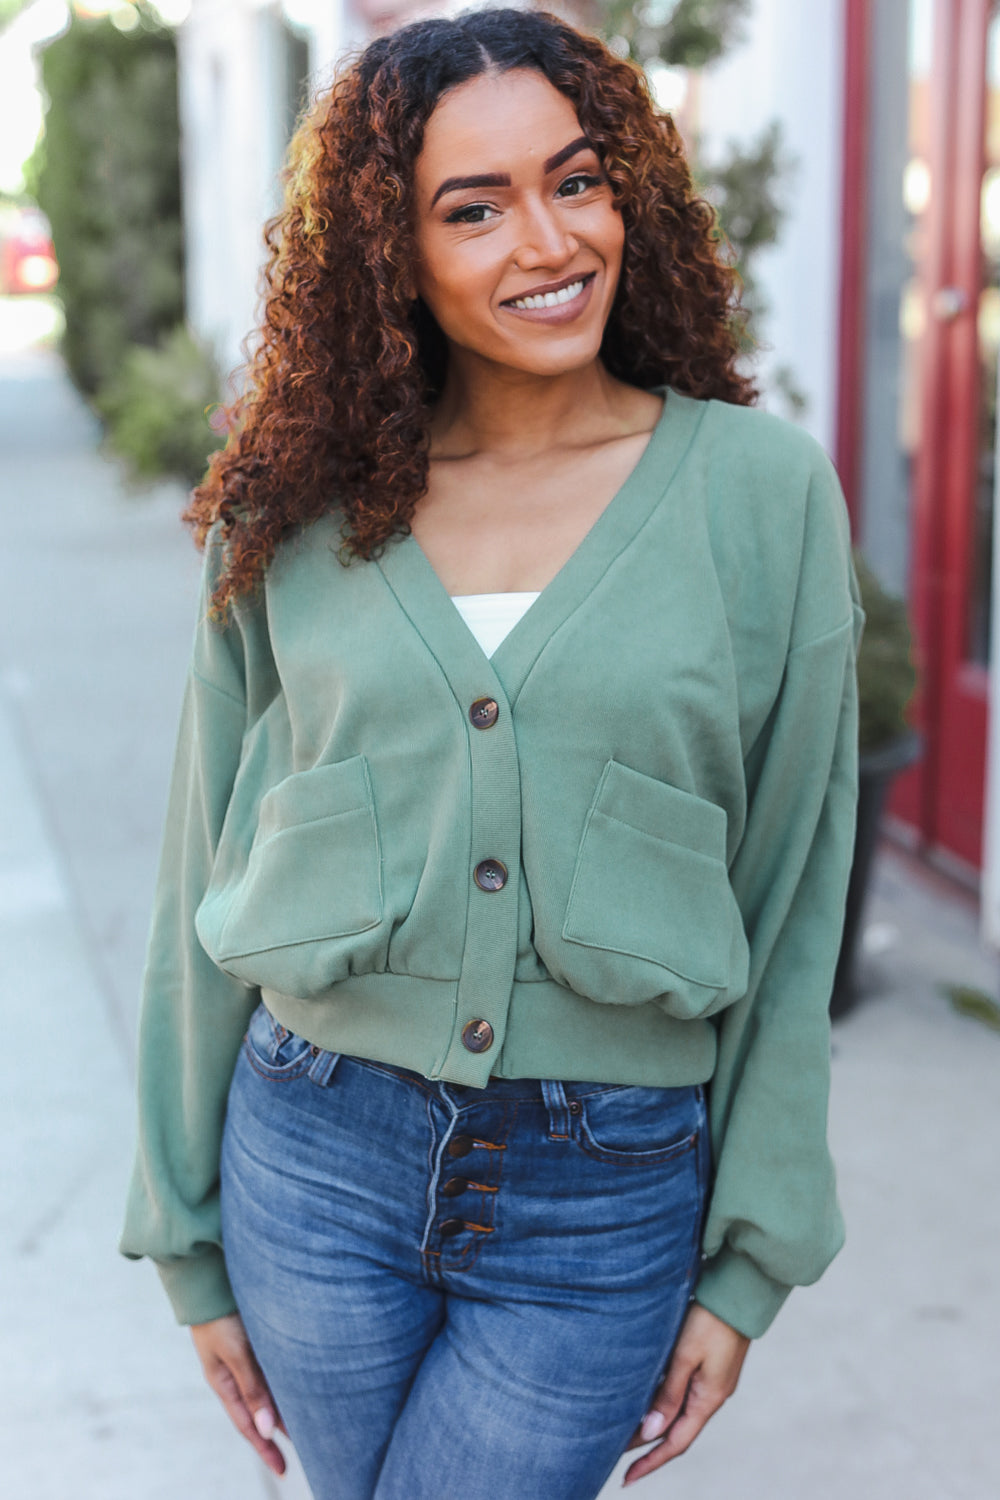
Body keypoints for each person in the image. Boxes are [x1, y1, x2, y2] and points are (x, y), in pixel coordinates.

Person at [120, 9, 864, 1497]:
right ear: (394, 255)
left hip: (603, 1192)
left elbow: (794, 898)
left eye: (575, 182)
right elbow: (204, 864)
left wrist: (748, 1264)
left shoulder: (760, 497)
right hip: (312, 1158)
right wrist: (187, 1236)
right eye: (476, 208)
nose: (549, 239)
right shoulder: (302, 513)